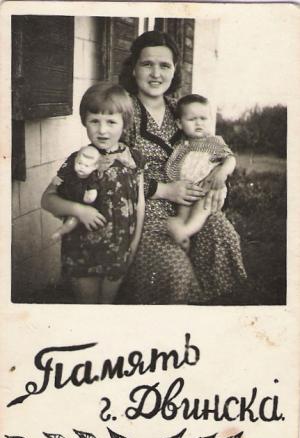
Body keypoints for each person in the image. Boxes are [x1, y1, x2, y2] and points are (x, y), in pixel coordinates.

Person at [118, 30, 247, 304]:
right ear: (133, 69)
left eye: (164, 65)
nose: (156, 73)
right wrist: (163, 190)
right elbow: (111, 173)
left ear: (174, 71)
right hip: (145, 210)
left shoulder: (183, 111)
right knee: (173, 270)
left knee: (222, 236)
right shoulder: (122, 112)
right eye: (147, 64)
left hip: (190, 204)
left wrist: (218, 181)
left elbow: (211, 153)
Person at [41, 85, 145, 304]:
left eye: (111, 122)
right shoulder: (76, 161)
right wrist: (78, 210)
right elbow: (47, 199)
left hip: (119, 249)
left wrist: (133, 245)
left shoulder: (134, 159)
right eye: (94, 121)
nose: (102, 130)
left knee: (107, 307)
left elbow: (140, 204)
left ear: (124, 123)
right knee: (87, 308)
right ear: (84, 121)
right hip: (82, 251)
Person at [165, 94, 236, 251]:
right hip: (189, 189)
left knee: (202, 208)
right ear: (179, 123)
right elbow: (174, 166)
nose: (198, 123)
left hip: (209, 188)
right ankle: (183, 241)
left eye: (203, 119)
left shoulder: (214, 142)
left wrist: (222, 172)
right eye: (192, 119)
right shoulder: (181, 146)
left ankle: (186, 230)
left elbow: (230, 159)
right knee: (182, 211)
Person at [51, 144, 102, 241]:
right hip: (67, 199)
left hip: (80, 203)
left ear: (95, 167)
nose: (81, 167)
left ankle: (60, 232)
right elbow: (62, 174)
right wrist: (58, 178)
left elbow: (93, 191)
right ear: (75, 160)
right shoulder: (71, 172)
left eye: (86, 165)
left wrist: (90, 196)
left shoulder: (91, 177)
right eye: (79, 163)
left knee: (73, 219)